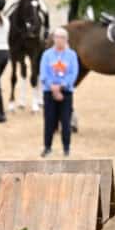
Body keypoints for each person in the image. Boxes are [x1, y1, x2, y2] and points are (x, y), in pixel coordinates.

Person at [38, 28, 79, 157]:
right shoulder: (47, 55)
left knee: (65, 121)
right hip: (49, 92)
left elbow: (73, 73)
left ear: (66, 40)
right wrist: (53, 87)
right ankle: (47, 147)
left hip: (66, 93)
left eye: (61, 37)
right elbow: (43, 74)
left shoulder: (71, 55)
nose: (58, 40)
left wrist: (62, 86)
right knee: (49, 121)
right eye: (56, 37)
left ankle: (66, 148)